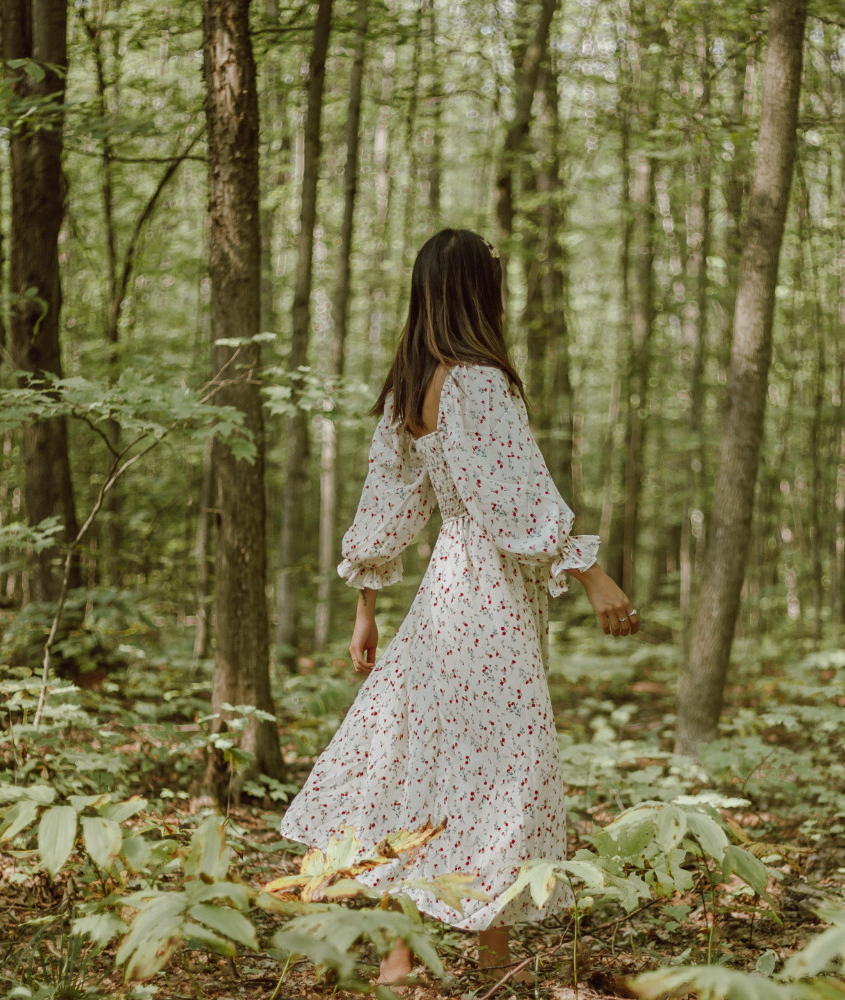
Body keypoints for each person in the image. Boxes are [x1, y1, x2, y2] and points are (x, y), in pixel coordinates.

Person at [280, 228, 638, 986]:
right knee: (505, 770)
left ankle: (400, 957)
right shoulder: (478, 382)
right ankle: (492, 962)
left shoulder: (415, 386)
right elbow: (516, 501)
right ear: (477, 291)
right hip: (487, 599)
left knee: (430, 766)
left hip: (445, 596)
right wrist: (591, 572)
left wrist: (366, 607)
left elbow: (388, 505)